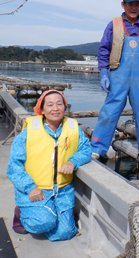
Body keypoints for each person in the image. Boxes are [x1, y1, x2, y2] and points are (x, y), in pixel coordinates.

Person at [7, 90, 91, 240]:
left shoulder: (73, 128)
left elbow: (85, 149)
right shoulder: (29, 131)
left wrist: (73, 161)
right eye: (50, 105)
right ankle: (20, 213)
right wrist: (30, 187)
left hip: (62, 190)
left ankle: (49, 213)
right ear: (42, 109)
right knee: (43, 223)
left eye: (60, 104)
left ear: (65, 107)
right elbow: (14, 165)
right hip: (35, 189)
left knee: (65, 233)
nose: (55, 108)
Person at [91, 0, 139, 160]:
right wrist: (103, 73)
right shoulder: (114, 24)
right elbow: (103, 50)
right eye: (130, 4)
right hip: (118, 75)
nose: (134, 7)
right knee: (110, 111)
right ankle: (97, 147)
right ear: (123, 5)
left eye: (137, 4)